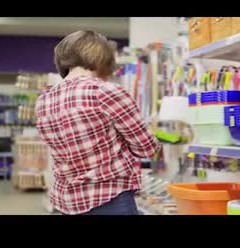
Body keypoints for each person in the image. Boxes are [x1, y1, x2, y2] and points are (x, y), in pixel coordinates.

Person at [35, 31, 161, 215]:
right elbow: (147, 148)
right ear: (103, 58)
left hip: (68, 201)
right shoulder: (106, 92)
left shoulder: (44, 100)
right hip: (109, 198)